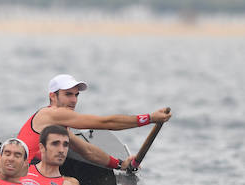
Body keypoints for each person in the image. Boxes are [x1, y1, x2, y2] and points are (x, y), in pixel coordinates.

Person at [15, 73, 171, 172]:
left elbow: (87, 151)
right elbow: (106, 122)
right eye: (68, 94)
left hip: (30, 174)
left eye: (76, 95)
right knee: (70, 184)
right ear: (53, 96)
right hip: (22, 176)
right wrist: (149, 118)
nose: (74, 100)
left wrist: (120, 164)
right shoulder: (51, 114)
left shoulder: (58, 127)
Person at [23, 124, 98, 185]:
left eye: (65, 145)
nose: (61, 150)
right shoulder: (23, 171)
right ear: (42, 147)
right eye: (55, 144)